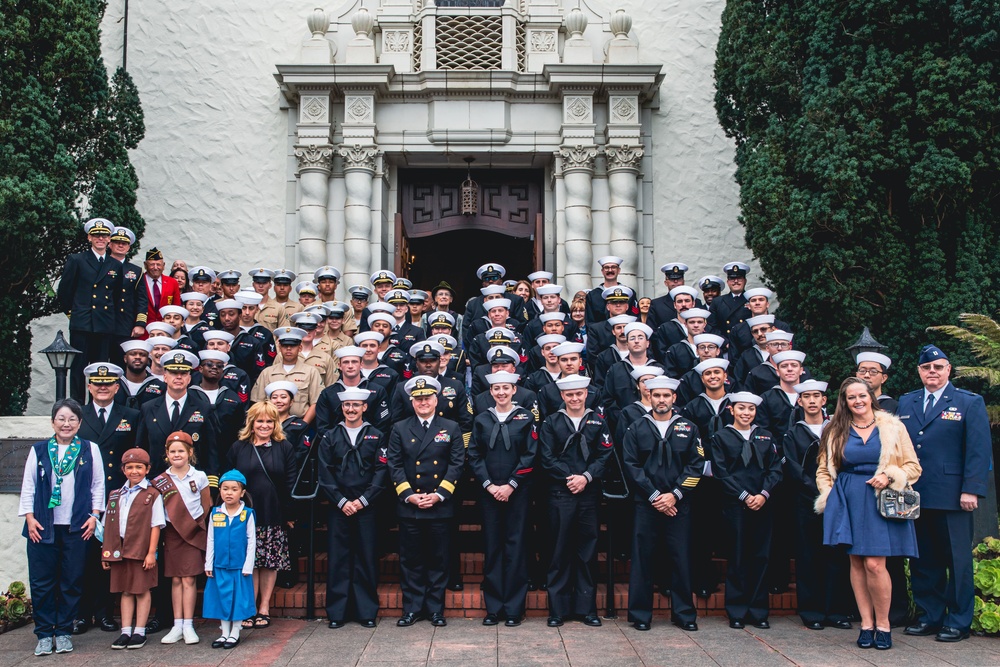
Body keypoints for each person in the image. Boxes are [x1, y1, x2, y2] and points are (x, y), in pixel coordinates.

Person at [816, 377, 921, 650]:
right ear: (845, 401)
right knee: (857, 563)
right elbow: (824, 470)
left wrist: (890, 474)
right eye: (851, 397)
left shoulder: (893, 427)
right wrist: (829, 495)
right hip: (848, 497)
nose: (858, 401)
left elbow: (913, 467)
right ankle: (866, 624)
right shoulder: (835, 430)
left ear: (870, 396)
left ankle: (884, 625)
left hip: (880, 499)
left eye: (862, 395)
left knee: (876, 564)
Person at [898, 345, 991, 643]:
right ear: (919, 372)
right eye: (927, 368)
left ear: (948, 370)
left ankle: (959, 620)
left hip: (953, 495)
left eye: (938, 367)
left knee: (957, 560)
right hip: (916, 494)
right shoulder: (907, 402)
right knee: (923, 560)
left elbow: (978, 450)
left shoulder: (968, 402)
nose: (932, 372)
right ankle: (930, 615)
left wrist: (971, 489)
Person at [20, 399, 105, 657]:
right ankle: (45, 633)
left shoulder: (90, 449)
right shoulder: (39, 450)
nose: (66, 424)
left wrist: (94, 515)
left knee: (71, 580)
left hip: (77, 526)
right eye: (61, 419)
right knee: (42, 582)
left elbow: (97, 485)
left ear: (79, 424)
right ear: (52, 422)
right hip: (42, 526)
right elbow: (28, 486)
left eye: (72, 419)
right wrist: (29, 518)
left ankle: (65, 631)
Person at [622, 376, 703, 632]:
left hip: (679, 505)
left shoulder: (689, 428)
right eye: (656, 395)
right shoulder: (636, 428)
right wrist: (656, 496)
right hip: (647, 504)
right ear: (649, 396)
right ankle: (640, 615)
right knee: (642, 559)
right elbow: (631, 466)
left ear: (674, 398)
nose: (661, 400)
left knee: (681, 559)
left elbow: (696, 465)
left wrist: (675, 494)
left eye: (666, 396)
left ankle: (684, 614)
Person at [386, 376, 465, 628]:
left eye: (427, 398)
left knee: (438, 561)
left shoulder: (451, 427)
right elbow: (394, 464)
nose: (423, 402)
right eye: (418, 399)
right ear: (412, 401)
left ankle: (435, 610)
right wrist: (409, 494)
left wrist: (439, 493)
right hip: (410, 505)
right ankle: (412, 609)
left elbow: (456, 464)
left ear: (436, 400)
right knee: (411, 561)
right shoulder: (399, 427)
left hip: (440, 505)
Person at [539, 375, 613, 628]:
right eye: (569, 394)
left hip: (588, 494)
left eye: (579, 394)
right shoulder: (551, 422)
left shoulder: (597, 420)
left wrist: (586, 477)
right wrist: (571, 478)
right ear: (562, 396)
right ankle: (557, 610)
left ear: (586, 394)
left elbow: (605, 454)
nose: (574, 398)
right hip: (560, 493)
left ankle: (586, 609)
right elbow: (546, 457)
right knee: (559, 551)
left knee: (586, 552)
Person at [467, 371, 539, 627]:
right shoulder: (482, 419)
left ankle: (513, 609)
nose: (501, 393)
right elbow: (474, 454)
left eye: (505, 388)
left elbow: (530, 456)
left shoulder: (526, 418)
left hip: (516, 493)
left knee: (515, 548)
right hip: (489, 493)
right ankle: (493, 608)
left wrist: (510, 485)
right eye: (496, 388)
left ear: (513, 390)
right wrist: (488, 485)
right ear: (491, 391)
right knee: (493, 547)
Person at [781, 380, 852, 631]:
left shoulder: (838, 429)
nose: (812, 400)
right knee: (808, 555)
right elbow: (793, 468)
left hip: (838, 499)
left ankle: (837, 611)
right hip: (806, 501)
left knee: (837, 554)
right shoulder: (792, 433)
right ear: (799, 402)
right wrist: (817, 490)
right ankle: (811, 611)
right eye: (806, 396)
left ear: (824, 401)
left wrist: (834, 492)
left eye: (817, 396)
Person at [315, 387, 388, 628]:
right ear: (342, 408)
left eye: (356, 405)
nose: (351, 409)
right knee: (339, 559)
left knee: (365, 558)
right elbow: (324, 473)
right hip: (339, 507)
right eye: (347, 406)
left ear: (365, 407)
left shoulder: (376, 435)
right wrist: (342, 501)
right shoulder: (330, 436)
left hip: (367, 506)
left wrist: (364, 500)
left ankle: (366, 611)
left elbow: (381, 471)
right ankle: (337, 613)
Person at [709, 392, 782, 630]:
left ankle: (758, 611)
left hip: (763, 504)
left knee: (761, 557)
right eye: (741, 408)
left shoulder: (765, 436)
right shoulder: (721, 437)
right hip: (735, 505)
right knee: (738, 557)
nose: (746, 413)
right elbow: (721, 472)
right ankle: (737, 611)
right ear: (732, 410)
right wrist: (744, 496)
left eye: (750, 409)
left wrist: (763, 495)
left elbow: (775, 470)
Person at [76, 362, 138, 635]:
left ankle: (104, 613)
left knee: (110, 555)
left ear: (116, 387)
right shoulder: (77, 416)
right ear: (89, 387)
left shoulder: (131, 416)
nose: (102, 387)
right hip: (84, 498)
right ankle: (81, 614)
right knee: (82, 557)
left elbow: (137, 456)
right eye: (97, 383)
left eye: (108, 383)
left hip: (117, 496)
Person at [227, 401, 298, 631]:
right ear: (252, 422)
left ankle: (264, 607)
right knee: (250, 563)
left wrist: (289, 513)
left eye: (269, 421)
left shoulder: (284, 447)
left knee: (269, 563)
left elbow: (290, 481)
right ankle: (248, 608)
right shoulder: (239, 447)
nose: (264, 425)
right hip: (244, 515)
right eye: (260, 421)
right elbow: (228, 480)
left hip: (273, 512)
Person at [101, 448, 165, 650]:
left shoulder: (152, 494)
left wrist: (151, 552)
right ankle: (125, 631)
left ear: (147, 469)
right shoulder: (115, 494)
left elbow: (156, 525)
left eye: (139, 467)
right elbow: (108, 526)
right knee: (125, 591)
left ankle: (140, 631)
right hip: (119, 550)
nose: (134, 471)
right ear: (123, 469)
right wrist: (106, 552)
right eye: (130, 467)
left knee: (141, 590)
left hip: (141, 550)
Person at [58, 218, 127, 401]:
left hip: (104, 324)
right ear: (89, 237)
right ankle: (78, 404)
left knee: (100, 368)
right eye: (96, 235)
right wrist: (73, 314)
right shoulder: (77, 260)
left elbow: (116, 296)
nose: (100, 238)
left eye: (104, 235)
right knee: (79, 367)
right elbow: (64, 292)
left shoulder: (115, 266)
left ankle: (96, 404)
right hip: (82, 322)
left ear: (109, 239)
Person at [153, 432, 211, 645]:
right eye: (172, 451)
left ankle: (189, 624)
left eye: (181, 451)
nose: (177, 455)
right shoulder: (160, 481)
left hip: (193, 533)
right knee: (176, 580)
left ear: (190, 453)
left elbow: (206, 505)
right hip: (172, 533)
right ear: (167, 454)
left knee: (189, 579)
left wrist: (195, 526)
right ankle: (177, 624)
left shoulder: (199, 476)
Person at [202, 469, 257, 650]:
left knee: (238, 599)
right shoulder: (215, 513)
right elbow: (210, 539)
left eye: (234, 489)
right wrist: (208, 563)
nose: (229, 493)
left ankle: (235, 632)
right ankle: (224, 632)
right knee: (222, 598)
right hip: (220, 565)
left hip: (239, 567)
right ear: (220, 491)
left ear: (242, 492)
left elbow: (251, 542)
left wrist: (248, 565)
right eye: (225, 489)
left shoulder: (247, 514)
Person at [142, 247, 182, 328]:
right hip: (143, 329)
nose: (156, 267)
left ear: (163, 266)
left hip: (165, 329)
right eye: (152, 264)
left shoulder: (172, 282)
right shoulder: (139, 281)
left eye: (159, 264)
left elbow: (176, 307)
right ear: (145, 265)